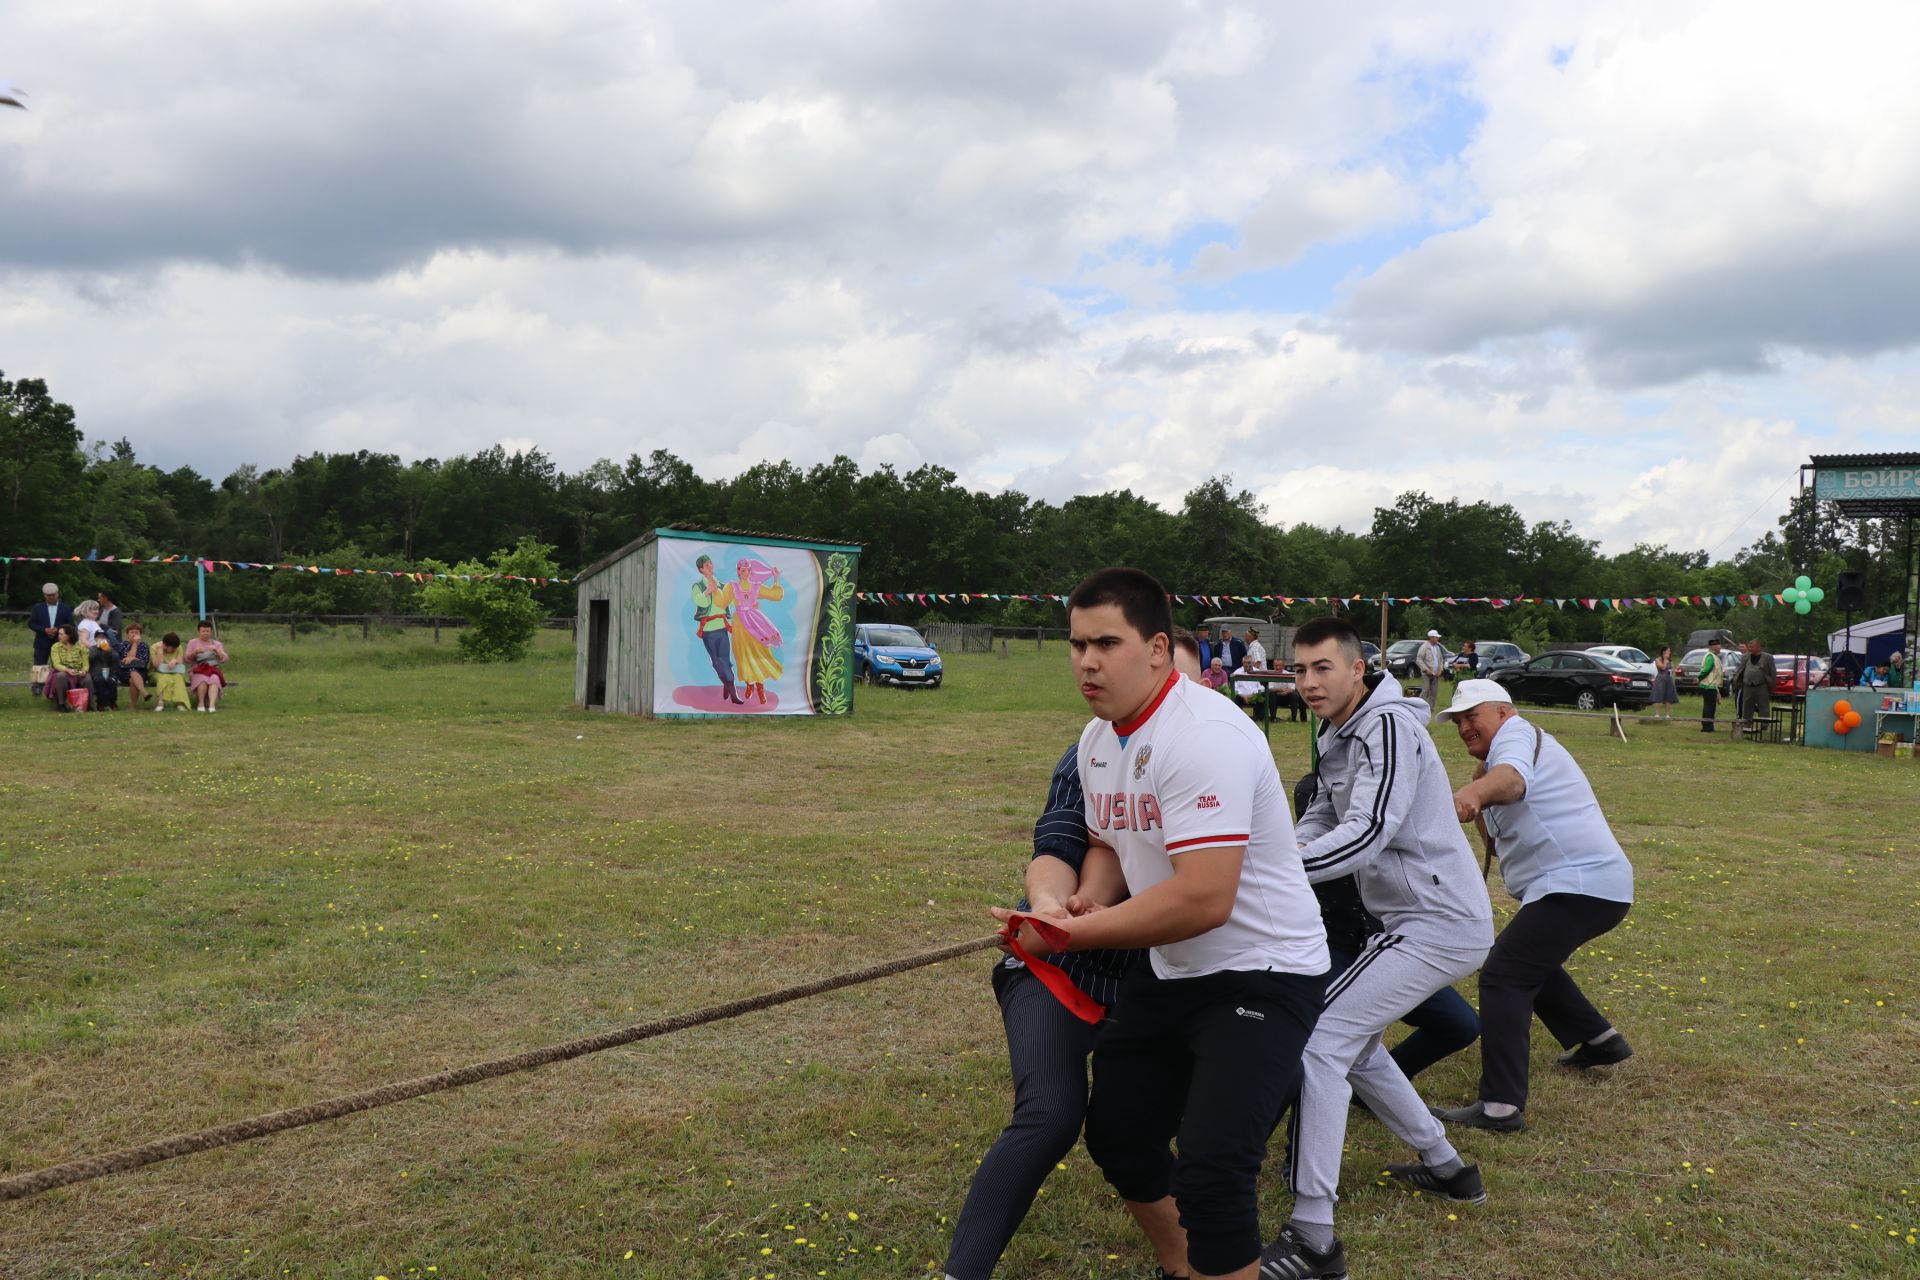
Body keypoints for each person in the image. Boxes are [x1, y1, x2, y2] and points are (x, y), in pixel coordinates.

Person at [993, 567, 1329, 1280]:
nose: (1087, 661)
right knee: (1120, 1135)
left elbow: (1205, 898)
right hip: (1173, 964)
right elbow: (1113, 841)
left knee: (1213, 1171)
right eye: (1077, 644)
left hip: (1262, 971)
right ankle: (1187, 1268)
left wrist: (1070, 937)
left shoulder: (1204, 735)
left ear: (1153, 649)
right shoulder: (1096, 740)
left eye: (1106, 642)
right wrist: (1078, 898)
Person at [944, 635, 1211, 1280]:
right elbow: (1062, 846)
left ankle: (1189, 1259)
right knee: (1052, 1114)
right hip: (1061, 967)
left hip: (1165, 977)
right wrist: (1053, 907)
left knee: (1170, 1123)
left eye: (1182, 689)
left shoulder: (1218, 756)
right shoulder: (1089, 754)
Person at [1264, 615, 1495, 1279]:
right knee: (1354, 1040)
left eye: (1321, 668)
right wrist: (1287, 850)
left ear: (1358, 669)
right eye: (1299, 670)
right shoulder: (1339, 731)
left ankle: (1313, 1236)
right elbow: (1325, 817)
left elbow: (1367, 833)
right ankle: (1452, 1169)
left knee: (1320, 1039)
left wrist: (1265, 873)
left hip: (1436, 922)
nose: (1307, 682)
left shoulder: (1389, 726)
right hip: (1406, 923)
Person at [1434, 680, 1635, 1133]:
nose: (1465, 727)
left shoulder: (1517, 736)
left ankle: (1500, 1107)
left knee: (1505, 974)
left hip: (1580, 884)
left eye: (1473, 716)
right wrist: (1477, 794)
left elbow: (1512, 781)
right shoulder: (1492, 764)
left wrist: (1474, 795)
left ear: (1504, 712)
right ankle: (1600, 1040)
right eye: (1459, 720)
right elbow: (1498, 830)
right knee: (1525, 960)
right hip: (1586, 886)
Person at [691, 555, 744, 705]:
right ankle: (727, 686)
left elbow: (733, 598)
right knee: (716, 663)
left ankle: (733, 693)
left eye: (710, 563)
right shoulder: (698, 586)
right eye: (707, 565)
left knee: (725, 661)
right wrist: (707, 591)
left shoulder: (722, 585)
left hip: (722, 628)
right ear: (701, 569)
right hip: (708, 631)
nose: (710, 565)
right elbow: (698, 601)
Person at [730, 558, 785, 703]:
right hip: (740, 627)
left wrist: (776, 578)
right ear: (738, 571)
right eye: (743, 570)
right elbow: (721, 601)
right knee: (743, 657)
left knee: (760, 655)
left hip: (756, 625)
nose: (746, 573)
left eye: (748, 570)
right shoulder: (733, 586)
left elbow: (776, 596)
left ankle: (760, 688)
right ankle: (749, 685)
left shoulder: (756, 586)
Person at [28, 582, 74, 696]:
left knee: (58, 667)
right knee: (39, 666)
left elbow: (71, 624)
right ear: (44, 595)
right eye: (49, 596)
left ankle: (56, 691)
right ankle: (37, 692)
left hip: (60, 643)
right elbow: (31, 623)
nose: (51, 597)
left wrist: (58, 630)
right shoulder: (38, 608)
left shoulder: (65, 608)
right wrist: (44, 630)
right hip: (41, 642)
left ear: (57, 594)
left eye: (53, 595)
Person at [184, 620, 230, 713]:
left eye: (208, 631)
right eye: (203, 631)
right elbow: (186, 659)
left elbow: (224, 659)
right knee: (202, 679)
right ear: (199, 632)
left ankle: (212, 705)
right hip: (197, 669)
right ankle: (200, 703)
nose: (205, 633)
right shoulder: (192, 643)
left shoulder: (216, 644)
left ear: (211, 632)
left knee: (214, 679)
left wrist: (216, 651)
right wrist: (195, 652)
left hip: (213, 669)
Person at [43, 623, 88, 710]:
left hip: (78, 670)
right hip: (63, 671)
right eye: (59, 634)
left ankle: (87, 705)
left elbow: (85, 663)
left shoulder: (81, 647)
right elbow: (56, 664)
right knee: (61, 676)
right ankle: (61, 704)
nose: (58, 636)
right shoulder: (55, 647)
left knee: (88, 678)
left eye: (61, 634)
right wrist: (67, 670)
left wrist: (84, 671)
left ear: (69, 635)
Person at [1736, 639, 1773, 738]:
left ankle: (1764, 725)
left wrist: (1772, 685)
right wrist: (1738, 681)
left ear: (1758, 647)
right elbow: (1741, 670)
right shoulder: (1745, 657)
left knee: (1763, 706)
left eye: (1752, 647)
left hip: (1761, 686)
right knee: (1747, 705)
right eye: (1749, 646)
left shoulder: (1768, 658)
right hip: (1748, 685)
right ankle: (1747, 724)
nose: (1750, 648)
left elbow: (1773, 673)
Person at [115, 621, 151, 709]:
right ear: (127, 634)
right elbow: (125, 662)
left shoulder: (144, 646)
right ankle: (144, 693)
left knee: (132, 679)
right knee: (132, 670)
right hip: (124, 672)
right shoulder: (122, 645)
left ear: (140, 635)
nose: (134, 634)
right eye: (132, 632)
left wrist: (133, 659)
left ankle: (133, 707)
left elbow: (144, 661)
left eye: (136, 632)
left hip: (141, 672)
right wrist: (134, 644)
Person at [151, 631, 190, 712]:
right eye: (173, 648)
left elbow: (180, 660)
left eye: (175, 648)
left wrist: (175, 661)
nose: (174, 650)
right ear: (165, 645)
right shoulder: (154, 647)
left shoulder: (178, 647)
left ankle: (179, 703)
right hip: (157, 672)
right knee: (163, 677)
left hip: (174, 671)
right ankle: (160, 703)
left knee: (178, 677)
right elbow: (155, 665)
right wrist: (160, 652)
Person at [1416, 628, 1447, 713]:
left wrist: (1440, 670)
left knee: (1434, 692)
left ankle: (1431, 709)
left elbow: (1441, 660)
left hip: (1436, 674)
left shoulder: (1437, 647)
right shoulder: (1424, 647)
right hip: (1427, 674)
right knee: (1425, 690)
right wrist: (1426, 670)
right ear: (1432, 638)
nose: (1438, 639)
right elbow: (1419, 659)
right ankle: (1419, 707)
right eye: (1436, 637)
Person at [1697, 638, 1724, 733]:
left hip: (1711, 685)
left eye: (1719, 645)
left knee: (1710, 707)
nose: (1719, 647)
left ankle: (1708, 726)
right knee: (1709, 707)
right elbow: (1707, 669)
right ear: (1713, 647)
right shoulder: (1710, 656)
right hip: (1708, 685)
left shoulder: (1714, 656)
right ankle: (1707, 727)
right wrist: (1698, 678)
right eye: (1717, 645)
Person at [1649, 645, 1678, 719]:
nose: (1670, 652)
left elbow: (1672, 670)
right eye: (1668, 651)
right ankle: (1657, 714)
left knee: (1668, 697)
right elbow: (1662, 667)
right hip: (1660, 679)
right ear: (1664, 651)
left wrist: (1674, 672)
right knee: (1657, 695)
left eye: (1670, 651)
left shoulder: (1670, 660)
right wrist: (1665, 659)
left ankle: (1667, 714)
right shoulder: (1658, 659)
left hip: (1668, 679)